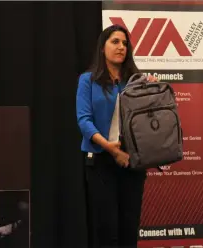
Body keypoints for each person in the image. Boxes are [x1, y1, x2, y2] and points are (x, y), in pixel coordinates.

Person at [76, 24, 157, 248]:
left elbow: (149, 120)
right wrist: (111, 149)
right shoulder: (87, 80)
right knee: (107, 230)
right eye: (115, 42)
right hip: (100, 161)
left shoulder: (136, 81)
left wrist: (151, 90)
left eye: (124, 43)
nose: (121, 47)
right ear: (102, 48)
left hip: (132, 161)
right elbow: (84, 121)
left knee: (129, 229)